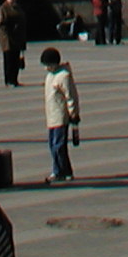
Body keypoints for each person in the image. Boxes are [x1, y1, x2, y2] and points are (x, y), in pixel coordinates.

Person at [38, 46, 81, 183]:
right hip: (51, 116)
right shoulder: (50, 76)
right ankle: (58, 170)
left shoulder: (64, 76)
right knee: (53, 145)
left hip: (61, 116)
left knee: (59, 146)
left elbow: (71, 97)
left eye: (48, 65)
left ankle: (64, 171)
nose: (46, 68)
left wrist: (73, 114)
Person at [0, 0, 26, 88]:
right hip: (8, 38)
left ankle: (15, 79)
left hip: (18, 37)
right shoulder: (3, 8)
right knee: (9, 59)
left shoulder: (18, 7)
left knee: (16, 59)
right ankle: (8, 80)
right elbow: (1, 23)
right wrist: (11, 28)